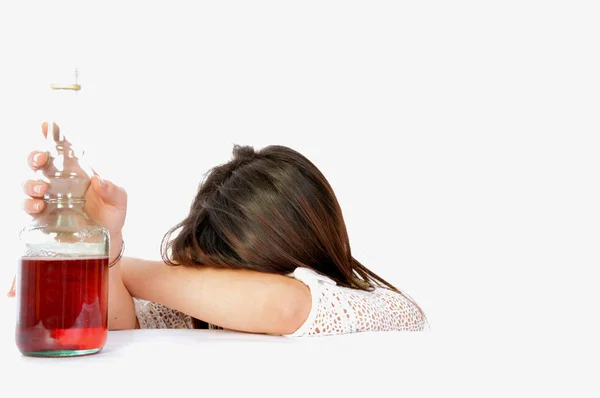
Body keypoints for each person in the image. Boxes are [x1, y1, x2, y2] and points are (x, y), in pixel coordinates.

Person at [9, 123, 426, 336]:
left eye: (222, 275)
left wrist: (121, 266)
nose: (212, 290)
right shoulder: (199, 314)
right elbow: (124, 332)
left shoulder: (390, 311)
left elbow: (285, 307)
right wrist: (104, 243)